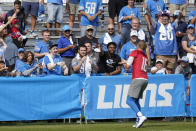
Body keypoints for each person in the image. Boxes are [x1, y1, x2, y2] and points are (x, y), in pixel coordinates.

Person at [121, 40, 148, 128]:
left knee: (129, 100)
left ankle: (140, 116)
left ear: (137, 45)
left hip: (137, 78)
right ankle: (138, 121)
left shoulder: (134, 52)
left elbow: (128, 66)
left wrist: (124, 62)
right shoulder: (144, 55)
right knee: (136, 100)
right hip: (145, 79)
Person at [144, 6, 178, 70]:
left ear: (169, 19)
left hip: (172, 53)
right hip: (160, 53)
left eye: (166, 18)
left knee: (170, 72)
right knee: (160, 71)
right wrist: (148, 11)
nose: (165, 19)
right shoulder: (158, 26)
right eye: (163, 17)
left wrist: (180, 10)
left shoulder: (172, 26)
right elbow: (151, 19)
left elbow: (177, 19)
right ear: (161, 18)